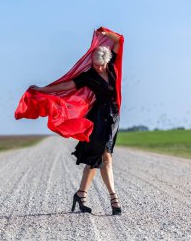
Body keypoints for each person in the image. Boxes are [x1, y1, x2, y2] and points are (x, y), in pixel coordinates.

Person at [29, 27, 122, 215]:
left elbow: (119, 42)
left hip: (113, 117)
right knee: (105, 156)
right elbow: (65, 85)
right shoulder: (88, 76)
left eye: (100, 65)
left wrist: (105, 34)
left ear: (106, 61)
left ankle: (81, 194)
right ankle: (114, 199)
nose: (97, 68)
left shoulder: (112, 69)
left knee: (98, 158)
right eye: (95, 65)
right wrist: (43, 89)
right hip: (97, 117)